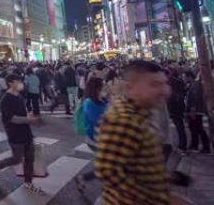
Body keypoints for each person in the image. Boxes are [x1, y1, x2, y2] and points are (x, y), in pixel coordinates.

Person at [95, 60, 190, 205]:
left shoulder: (141, 114)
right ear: (131, 87)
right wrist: (163, 199)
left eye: (164, 83)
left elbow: (137, 165)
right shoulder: (122, 120)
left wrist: (169, 177)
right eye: (154, 85)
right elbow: (109, 173)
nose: (165, 91)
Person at [0, 74, 43, 194]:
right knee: (17, 159)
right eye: (18, 81)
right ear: (10, 83)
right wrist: (28, 120)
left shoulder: (19, 96)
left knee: (30, 158)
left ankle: (28, 182)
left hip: (26, 132)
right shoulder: (5, 99)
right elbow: (11, 118)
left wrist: (29, 117)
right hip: (14, 134)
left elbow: (23, 113)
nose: (21, 83)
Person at [74, 76, 108, 193]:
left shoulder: (102, 100)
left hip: (104, 139)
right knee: (108, 167)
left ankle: (82, 178)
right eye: (104, 86)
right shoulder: (89, 103)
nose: (106, 88)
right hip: (96, 140)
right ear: (97, 89)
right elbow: (100, 121)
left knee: (107, 166)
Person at [184, 71, 211, 154]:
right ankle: (194, 145)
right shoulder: (194, 85)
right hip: (195, 111)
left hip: (196, 112)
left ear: (189, 77)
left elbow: (194, 98)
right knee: (194, 129)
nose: (184, 78)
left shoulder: (195, 85)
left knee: (199, 129)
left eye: (185, 77)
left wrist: (192, 110)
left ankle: (205, 147)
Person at [166, 68, 188, 154]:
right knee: (179, 128)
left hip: (175, 109)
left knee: (180, 128)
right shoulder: (176, 81)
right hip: (175, 108)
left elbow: (176, 96)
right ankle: (181, 146)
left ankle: (182, 147)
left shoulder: (172, 82)